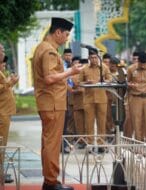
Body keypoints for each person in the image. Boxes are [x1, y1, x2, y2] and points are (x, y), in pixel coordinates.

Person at [32, 17, 83, 190]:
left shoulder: (44, 48)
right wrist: (71, 71)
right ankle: (51, 182)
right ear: (58, 32)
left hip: (50, 102)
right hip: (52, 103)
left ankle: (50, 180)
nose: (67, 38)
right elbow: (49, 78)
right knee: (52, 144)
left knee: (49, 143)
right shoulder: (49, 51)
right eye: (66, 34)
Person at [78, 48, 111, 152]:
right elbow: (79, 83)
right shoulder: (84, 69)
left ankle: (101, 144)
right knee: (89, 123)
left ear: (98, 58)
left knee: (102, 122)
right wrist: (87, 83)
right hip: (89, 99)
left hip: (101, 99)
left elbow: (110, 79)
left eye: (95, 57)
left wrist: (103, 81)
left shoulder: (104, 68)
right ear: (88, 58)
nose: (93, 60)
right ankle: (90, 144)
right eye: (91, 57)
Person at [127, 51, 146, 143]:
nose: (143, 66)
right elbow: (126, 82)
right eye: (141, 64)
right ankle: (138, 142)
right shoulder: (131, 69)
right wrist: (131, 85)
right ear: (138, 61)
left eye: (144, 64)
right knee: (136, 121)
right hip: (136, 98)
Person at [0, 45, 19, 184]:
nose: (3, 53)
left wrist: (10, 83)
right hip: (1, 113)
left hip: (5, 111)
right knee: (1, 144)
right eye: (1, 51)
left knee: (2, 144)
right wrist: (9, 83)